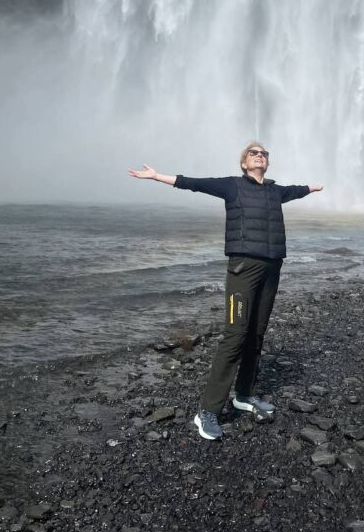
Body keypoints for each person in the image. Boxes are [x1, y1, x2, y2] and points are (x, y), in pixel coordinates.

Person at [128, 142, 323, 440]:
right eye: (254, 153)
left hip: (273, 267)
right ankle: (207, 411)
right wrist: (156, 176)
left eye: (264, 154)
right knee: (235, 335)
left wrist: (312, 187)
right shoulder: (232, 186)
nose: (260, 156)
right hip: (243, 267)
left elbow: (296, 189)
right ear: (244, 163)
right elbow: (193, 184)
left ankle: (244, 394)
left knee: (256, 334)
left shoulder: (275, 191)